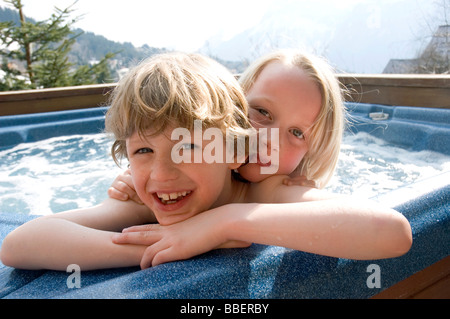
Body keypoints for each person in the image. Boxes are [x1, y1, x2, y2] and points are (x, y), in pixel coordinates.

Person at [0, 52, 412, 271]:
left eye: (297, 132)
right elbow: (20, 245)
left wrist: (223, 221)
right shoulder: (156, 182)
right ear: (231, 111)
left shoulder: (272, 188)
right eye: (262, 113)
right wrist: (158, 246)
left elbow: (390, 232)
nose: (267, 137)